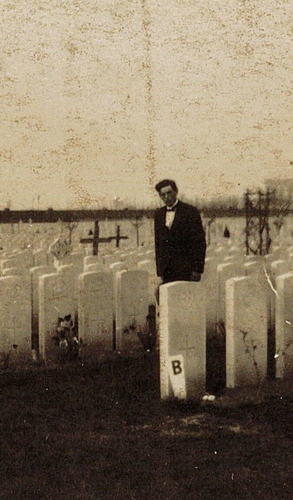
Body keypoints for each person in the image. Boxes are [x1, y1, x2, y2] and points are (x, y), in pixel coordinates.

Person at [154, 179, 206, 288]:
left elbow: (199, 243)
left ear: (176, 192)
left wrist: (197, 269)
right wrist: (160, 270)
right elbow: (158, 244)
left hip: (187, 269)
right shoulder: (158, 215)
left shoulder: (190, 212)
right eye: (163, 195)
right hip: (167, 270)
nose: (166, 197)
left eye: (169, 193)